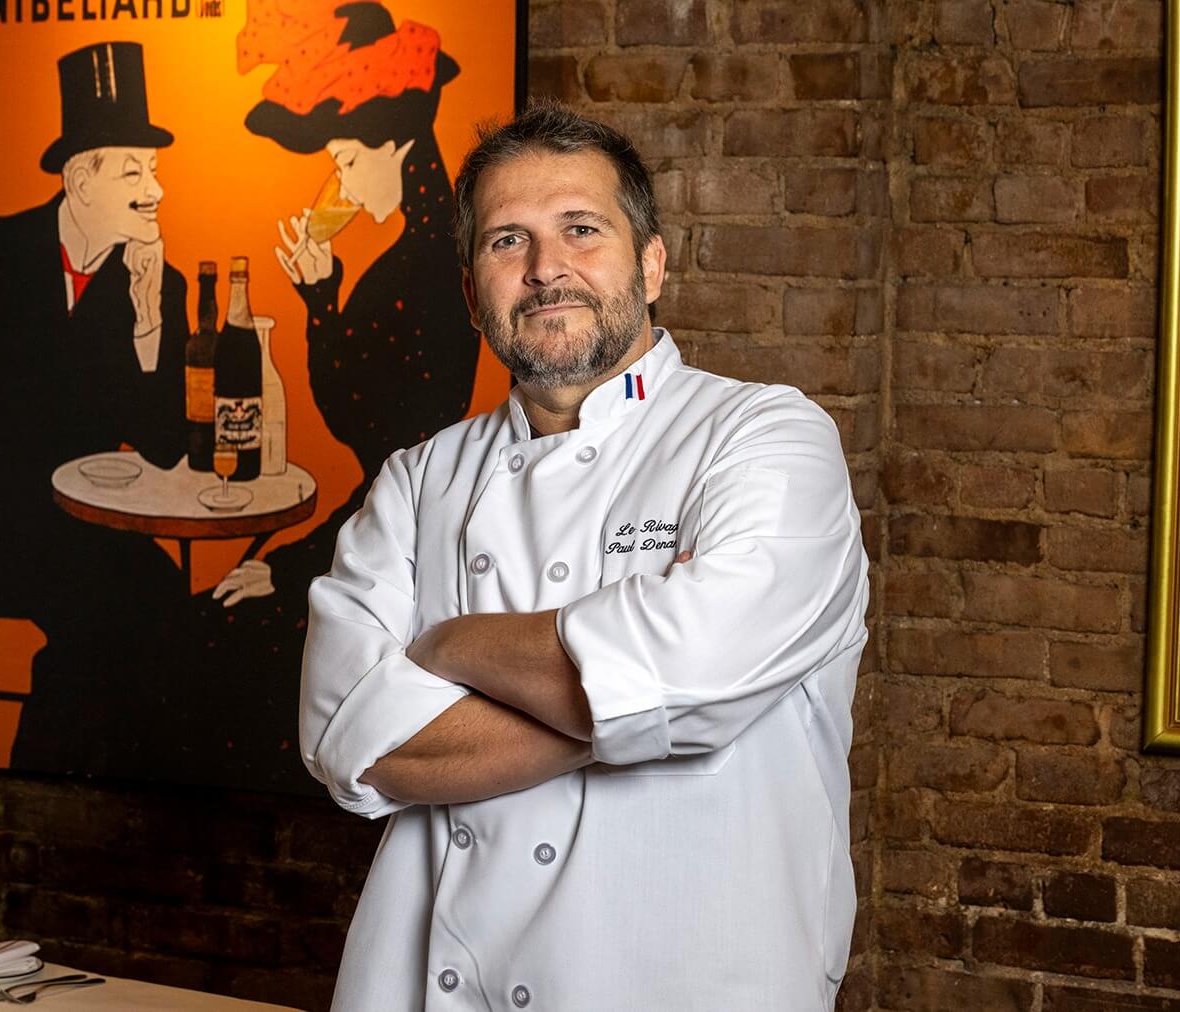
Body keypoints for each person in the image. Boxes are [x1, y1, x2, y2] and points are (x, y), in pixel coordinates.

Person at [300, 105, 871, 1010]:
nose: (545, 268)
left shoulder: (766, 436)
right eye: (507, 241)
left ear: (651, 264)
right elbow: (348, 743)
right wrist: (639, 709)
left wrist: (447, 646)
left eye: (581, 229)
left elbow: (691, 674)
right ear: (471, 289)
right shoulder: (418, 479)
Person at [183, 0, 478, 791]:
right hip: (372, 526)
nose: (338, 180)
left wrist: (292, 570)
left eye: (347, 158)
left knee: (220, 634)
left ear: (395, 146)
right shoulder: (409, 257)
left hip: (397, 553)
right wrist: (321, 297)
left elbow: (390, 454)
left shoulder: (428, 271)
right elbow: (359, 420)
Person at [0, 40, 191, 777]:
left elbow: (161, 446)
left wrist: (148, 317)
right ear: (79, 178)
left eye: (155, 168)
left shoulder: (161, 283)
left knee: (155, 601)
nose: (155, 188)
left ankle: (50, 795)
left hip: (81, 532)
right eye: (134, 170)